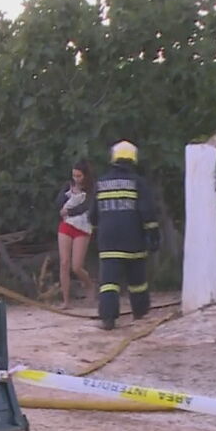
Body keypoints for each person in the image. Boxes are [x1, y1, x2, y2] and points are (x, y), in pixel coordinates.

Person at [89, 140, 160, 330]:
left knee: (108, 283)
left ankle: (108, 318)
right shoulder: (138, 182)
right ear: (133, 159)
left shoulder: (101, 183)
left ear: (113, 158)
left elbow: (92, 216)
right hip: (133, 240)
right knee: (137, 281)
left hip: (108, 242)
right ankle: (140, 312)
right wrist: (153, 235)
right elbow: (147, 211)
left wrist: (99, 231)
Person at [55, 160, 95, 308]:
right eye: (74, 175)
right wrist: (68, 197)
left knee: (76, 266)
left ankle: (89, 285)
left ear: (85, 175)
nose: (76, 179)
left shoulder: (91, 189)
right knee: (64, 262)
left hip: (82, 226)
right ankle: (65, 300)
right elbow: (58, 202)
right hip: (66, 224)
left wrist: (70, 210)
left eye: (79, 176)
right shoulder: (68, 185)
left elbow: (87, 206)